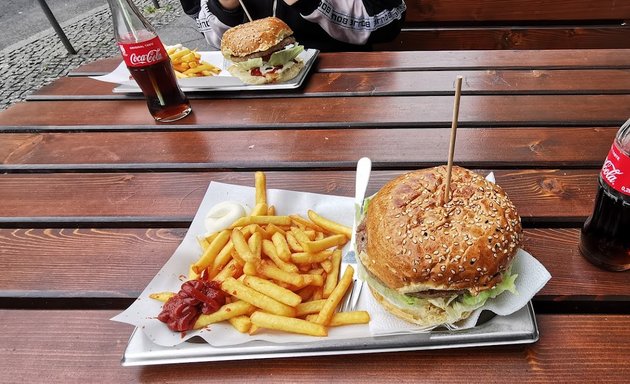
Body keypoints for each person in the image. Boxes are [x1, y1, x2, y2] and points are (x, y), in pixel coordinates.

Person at [179, 0, 406, 52]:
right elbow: (214, 36)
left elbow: (388, 22)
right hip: (247, 93)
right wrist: (224, 6)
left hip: (342, 81)